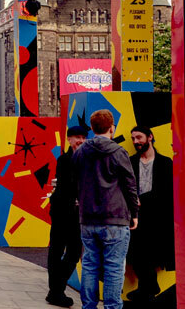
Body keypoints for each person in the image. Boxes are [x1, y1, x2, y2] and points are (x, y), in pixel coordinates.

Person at [72, 109, 139, 309]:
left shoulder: (80, 152)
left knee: (90, 266)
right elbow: (130, 185)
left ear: (92, 129)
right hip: (115, 218)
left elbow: (75, 182)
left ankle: (89, 306)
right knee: (114, 267)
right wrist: (134, 213)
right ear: (112, 128)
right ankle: (112, 307)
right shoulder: (119, 152)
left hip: (88, 218)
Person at [127, 125, 175, 303]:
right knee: (137, 255)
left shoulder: (165, 163)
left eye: (138, 137)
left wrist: (144, 199)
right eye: (133, 138)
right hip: (136, 217)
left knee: (151, 255)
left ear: (150, 137)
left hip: (158, 218)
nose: (135, 142)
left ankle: (146, 290)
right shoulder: (130, 161)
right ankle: (149, 288)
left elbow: (168, 192)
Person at [46, 126, 87, 308]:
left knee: (73, 251)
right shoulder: (64, 159)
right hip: (63, 211)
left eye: (83, 137)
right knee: (56, 251)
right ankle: (56, 291)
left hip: (76, 213)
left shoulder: (87, 159)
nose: (81, 140)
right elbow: (69, 184)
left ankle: (55, 290)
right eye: (77, 137)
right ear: (69, 139)